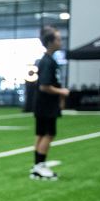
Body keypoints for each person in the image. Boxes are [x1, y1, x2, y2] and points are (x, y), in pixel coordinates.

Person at [31, 26, 69, 180]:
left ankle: (37, 166)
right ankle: (40, 166)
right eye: (58, 39)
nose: (61, 42)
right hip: (46, 105)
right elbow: (45, 86)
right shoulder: (47, 62)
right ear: (50, 42)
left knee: (41, 134)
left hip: (44, 104)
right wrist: (62, 92)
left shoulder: (49, 60)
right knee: (48, 134)